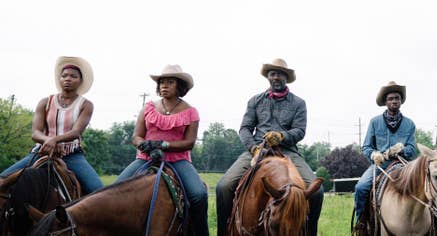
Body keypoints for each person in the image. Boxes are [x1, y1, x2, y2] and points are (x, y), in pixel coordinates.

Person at [215, 58, 323, 236]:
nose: (276, 77)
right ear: (268, 77)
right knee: (223, 186)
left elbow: (300, 131)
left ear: (286, 77)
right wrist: (253, 148)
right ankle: (223, 231)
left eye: (280, 74)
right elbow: (245, 129)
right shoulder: (255, 101)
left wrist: (282, 136)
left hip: (287, 151)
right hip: (257, 149)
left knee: (316, 193)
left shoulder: (298, 103)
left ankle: (309, 232)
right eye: (272, 74)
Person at [115, 64, 208, 236]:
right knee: (115, 189)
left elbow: (189, 143)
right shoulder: (148, 108)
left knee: (199, 194)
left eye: (170, 82)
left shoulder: (190, 112)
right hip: (145, 158)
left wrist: (163, 145)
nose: (164, 85)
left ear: (179, 86)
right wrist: (145, 145)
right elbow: (136, 136)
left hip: (178, 160)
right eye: (162, 82)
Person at [0, 56, 103, 193]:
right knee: (2, 180)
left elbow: (76, 132)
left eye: (73, 76)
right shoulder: (45, 102)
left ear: (80, 81)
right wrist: (49, 141)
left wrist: (54, 140)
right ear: (59, 79)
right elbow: (36, 132)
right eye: (64, 75)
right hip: (41, 153)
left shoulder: (86, 105)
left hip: (71, 155)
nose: (68, 79)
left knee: (97, 189)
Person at [353, 81, 417, 225]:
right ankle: (361, 222)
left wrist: (402, 150)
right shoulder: (375, 122)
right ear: (385, 102)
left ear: (401, 101)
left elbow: (412, 149)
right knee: (361, 187)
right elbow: (366, 147)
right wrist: (374, 155)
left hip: (403, 164)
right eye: (391, 98)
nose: (394, 101)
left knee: (424, 186)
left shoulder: (410, 124)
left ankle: (432, 222)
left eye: (397, 98)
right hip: (380, 165)